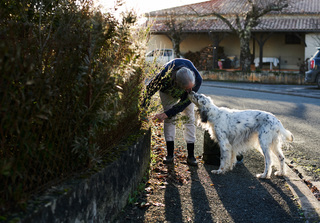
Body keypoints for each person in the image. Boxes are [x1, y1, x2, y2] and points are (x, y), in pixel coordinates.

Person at [142, 58, 202, 166]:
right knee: (170, 119)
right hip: (167, 91)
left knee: (189, 118)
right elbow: (148, 92)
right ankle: (170, 154)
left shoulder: (197, 79)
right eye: (186, 89)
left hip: (183, 89)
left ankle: (191, 155)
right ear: (177, 83)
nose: (189, 91)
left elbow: (183, 104)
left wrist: (166, 113)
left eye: (190, 88)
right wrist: (143, 112)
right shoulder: (163, 76)